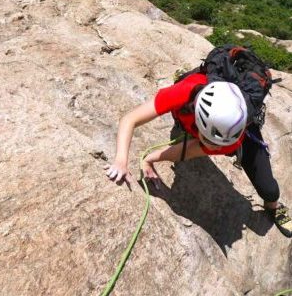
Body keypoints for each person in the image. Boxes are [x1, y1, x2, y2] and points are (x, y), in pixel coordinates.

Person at [104, 71, 292, 238]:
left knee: (269, 189)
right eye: (211, 142)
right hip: (195, 104)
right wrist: (121, 160)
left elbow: (190, 150)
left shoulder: (233, 137)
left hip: (237, 125)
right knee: (185, 119)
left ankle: (274, 208)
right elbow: (130, 119)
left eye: (219, 146)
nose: (216, 150)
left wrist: (151, 158)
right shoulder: (183, 92)